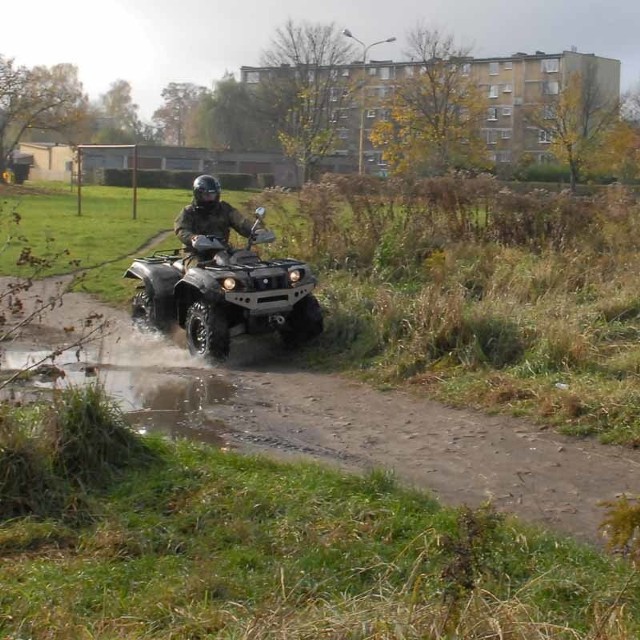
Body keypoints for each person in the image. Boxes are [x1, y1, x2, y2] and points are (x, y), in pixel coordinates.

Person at [174, 175, 255, 270]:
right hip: (194, 252)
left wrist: (256, 231)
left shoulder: (224, 209)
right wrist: (193, 238)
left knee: (246, 259)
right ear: (198, 194)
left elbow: (241, 222)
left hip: (221, 248)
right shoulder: (188, 212)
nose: (210, 198)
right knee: (197, 271)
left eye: (213, 194)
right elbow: (181, 230)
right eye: (206, 195)